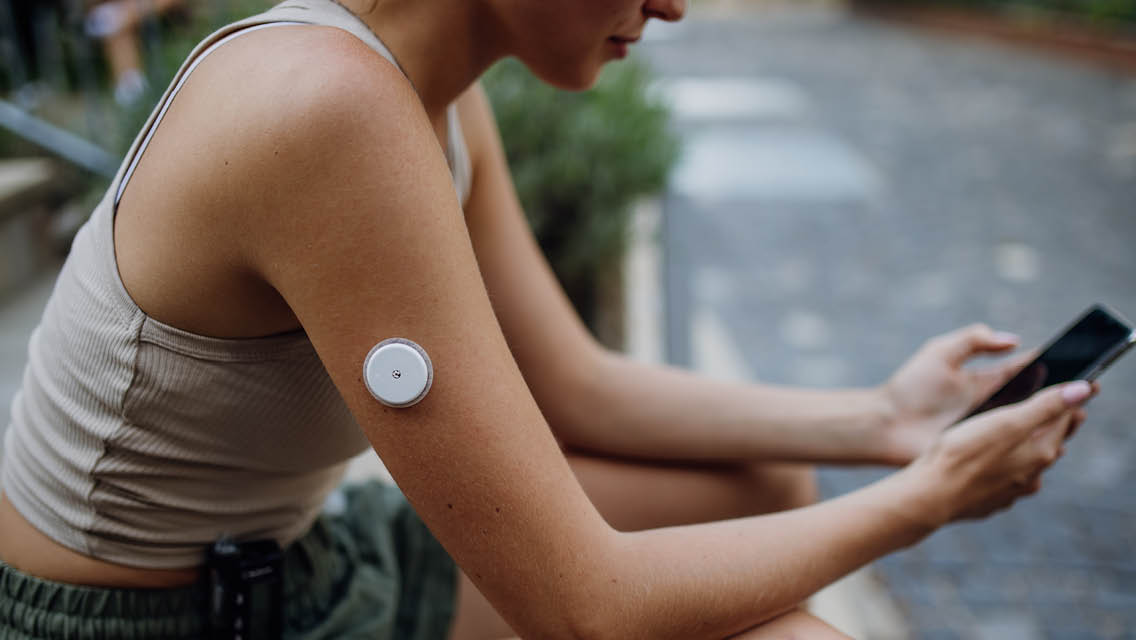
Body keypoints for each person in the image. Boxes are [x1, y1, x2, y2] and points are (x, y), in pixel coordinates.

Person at [0, 0, 1098, 637]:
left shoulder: (425, 91)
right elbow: (585, 611)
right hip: (155, 623)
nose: (673, 4)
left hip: (297, 565)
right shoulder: (326, 110)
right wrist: (927, 499)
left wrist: (885, 421)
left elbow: (574, 386)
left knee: (758, 486)